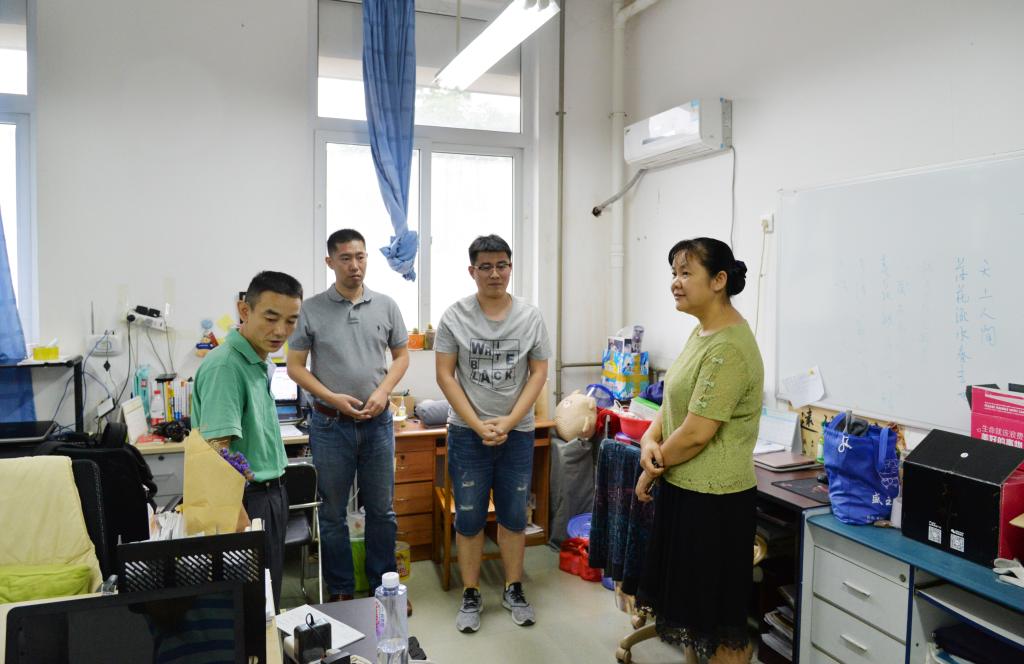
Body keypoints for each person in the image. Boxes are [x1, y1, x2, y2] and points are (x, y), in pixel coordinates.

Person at [634, 237, 763, 664]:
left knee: (719, 625)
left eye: (686, 273)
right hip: (687, 490)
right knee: (692, 617)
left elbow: (695, 433)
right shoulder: (702, 332)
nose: (675, 282)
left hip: (715, 502)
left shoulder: (729, 347)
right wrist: (649, 440)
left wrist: (651, 468)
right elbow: (675, 400)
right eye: (674, 273)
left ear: (719, 280)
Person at [434, 234, 551, 633]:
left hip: (517, 433)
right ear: (472, 271)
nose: (495, 273)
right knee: (468, 516)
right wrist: (477, 422)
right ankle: (471, 592)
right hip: (467, 434)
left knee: (514, 515)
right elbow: (445, 375)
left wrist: (510, 420)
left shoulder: (530, 317)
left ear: (510, 268)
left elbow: (538, 373)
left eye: (502, 265)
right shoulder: (455, 316)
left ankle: (513, 587)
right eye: (485, 266)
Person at [287, 229, 410, 605]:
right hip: (329, 425)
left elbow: (402, 357)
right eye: (345, 258)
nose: (355, 265)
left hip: (377, 424)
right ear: (330, 262)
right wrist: (331, 398)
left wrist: (383, 391)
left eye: (360, 257)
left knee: (382, 512)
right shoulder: (311, 309)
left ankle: (383, 587)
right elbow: (295, 367)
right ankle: (340, 589)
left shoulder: (386, 305)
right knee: (332, 513)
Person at [192, 270, 303, 610]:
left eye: (291, 321)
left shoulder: (257, 361)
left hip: (269, 495)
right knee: (254, 606)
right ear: (244, 310)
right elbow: (216, 451)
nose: (281, 331)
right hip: (246, 501)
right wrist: (239, 521)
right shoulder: (226, 366)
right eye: (271, 318)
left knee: (266, 598)